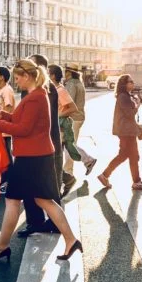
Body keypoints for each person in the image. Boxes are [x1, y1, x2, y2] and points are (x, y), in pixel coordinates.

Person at [0, 59, 82, 263]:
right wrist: (1, 115)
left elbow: (24, 129)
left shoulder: (36, 97)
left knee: (12, 200)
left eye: (18, 77)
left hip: (31, 158)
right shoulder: (37, 95)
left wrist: (0, 124)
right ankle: (71, 240)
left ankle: (1, 247)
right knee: (43, 200)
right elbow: (21, 120)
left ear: (27, 76)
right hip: (36, 156)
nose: (16, 81)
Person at [17, 53, 65, 238]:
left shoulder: (42, 89)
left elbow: (29, 120)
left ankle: (49, 222)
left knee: (47, 186)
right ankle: (38, 222)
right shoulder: (42, 88)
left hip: (41, 143)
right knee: (39, 186)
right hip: (42, 142)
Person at [98, 74, 142, 191]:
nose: (132, 83)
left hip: (127, 130)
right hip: (126, 131)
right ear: (124, 84)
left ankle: (136, 181)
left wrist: (134, 102)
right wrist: (137, 105)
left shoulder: (126, 96)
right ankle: (105, 175)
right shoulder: (123, 97)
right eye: (130, 82)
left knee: (133, 156)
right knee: (126, 155)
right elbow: (130, 114)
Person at [49, 64, 83, 196]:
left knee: (54, 159)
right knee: (52, 159)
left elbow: (73, 108)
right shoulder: (52, 89)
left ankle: (65, 181)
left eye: (47, 73)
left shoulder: (60, 90)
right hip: (54, 128)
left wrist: (56, 116)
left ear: (52, 76)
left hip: (60, 129)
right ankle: (67, 180)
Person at [63, 63, 97, 174]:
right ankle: (70, 170)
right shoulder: (79, 83)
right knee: (70, 144)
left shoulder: (71, 84)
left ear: (69, 72)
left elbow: (68, 102)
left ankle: (70, 171)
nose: (64, 73)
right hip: (79, 117)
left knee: (70, 145)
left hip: (73, 118)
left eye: (65, 71)